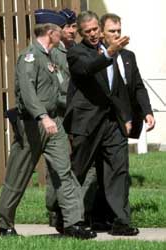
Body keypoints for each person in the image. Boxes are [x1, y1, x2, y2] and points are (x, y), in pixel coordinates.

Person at [0, 9, 96, 240]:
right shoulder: (29, 57)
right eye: (60, 31)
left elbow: (61, 89)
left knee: (64, 171)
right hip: (32, 124)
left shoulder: (53, 56)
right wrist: (43, 117)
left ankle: (74, 223)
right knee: (18, 175)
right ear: (51, 33)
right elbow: (28, 92)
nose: (64, 35)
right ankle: (5, 224)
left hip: (54, 123)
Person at [63, 10, 139, 236]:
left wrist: (126, 117)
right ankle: (65, 217)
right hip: (87, 123)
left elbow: (116, 89)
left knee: (118, 169)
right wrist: (109, 54)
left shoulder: (109, 50)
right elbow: (88, 68)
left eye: (96, 29)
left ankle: (120, 221)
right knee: (79, 170)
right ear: (80, 32)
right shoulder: (76, 53)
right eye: (88, 31)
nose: (94, 34)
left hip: (112, 122)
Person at [90, 13, 155, 234]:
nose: (117, 35)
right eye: (112, 31)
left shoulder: (128, 56)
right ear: (101, 32)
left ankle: (120, 220)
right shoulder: (93, 57)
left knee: (119, 170)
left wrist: (146, 112)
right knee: (98, 171)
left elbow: (137, 86)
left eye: (119, 30)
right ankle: (98, 216)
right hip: (97, 122)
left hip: (121, 122)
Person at [45, 8, 77, 229]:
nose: (72, 31)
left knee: (71, 165)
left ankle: (71, 212)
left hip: (75, 115)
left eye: (74, 26)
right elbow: (59, 87)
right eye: (68, 27)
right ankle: (56, 212)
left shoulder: (74, 49)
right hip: (61, 114)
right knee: (58, 166)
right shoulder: (55, 53)